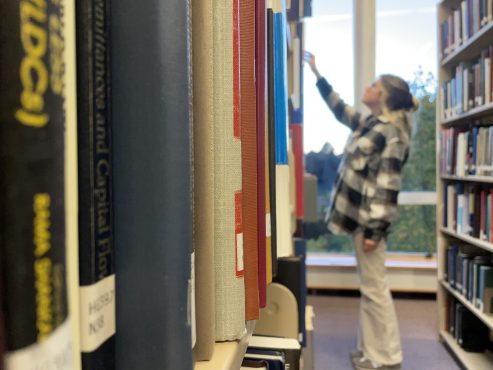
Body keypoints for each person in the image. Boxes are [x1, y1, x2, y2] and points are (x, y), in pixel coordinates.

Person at [305, 51, 419, 370]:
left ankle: (387, 357)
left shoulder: (391, 134)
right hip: (358, 222)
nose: (367, 87)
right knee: (369, 288)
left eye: (373, 85)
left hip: (370, 225)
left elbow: (387, 186)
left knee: (375, 290)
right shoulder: (371, 123)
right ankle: (369, 351)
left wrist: (375, 230)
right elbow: (340, 110)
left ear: (381, 96)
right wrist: (317, 73)